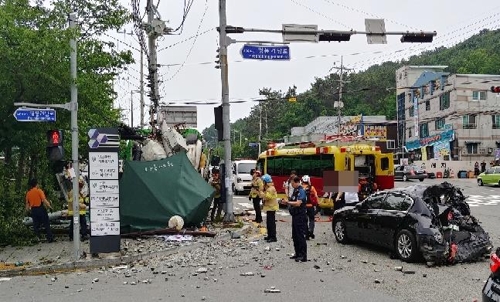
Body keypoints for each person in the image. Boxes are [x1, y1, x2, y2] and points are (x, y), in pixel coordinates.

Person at [282, 176, 308, 262]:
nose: (291, 185)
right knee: (295, 235)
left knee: (300, 235)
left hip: (300, 216)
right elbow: (293, 200)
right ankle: (297, 253)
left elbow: (298, 203)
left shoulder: (301, 191)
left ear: (296, 182)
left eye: (292, 183)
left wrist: (288, 202)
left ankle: (303, 255)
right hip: (295, 216)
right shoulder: (295, 191)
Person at [25, 178, 54, 243]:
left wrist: (27, 211)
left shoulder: (28, 193)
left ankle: (37, 237)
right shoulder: (39, 191)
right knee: (46, 223)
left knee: (36, 224)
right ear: (36, 184)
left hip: (33, 210)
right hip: (40, 209)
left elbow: (27, 204)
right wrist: (50, 207)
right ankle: (50, 238)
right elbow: (44, 200)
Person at [260, 174, 278, 242]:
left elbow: (267, 197)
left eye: (263, 181)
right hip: (269, 207)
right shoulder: (268, 188)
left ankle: (273, 237)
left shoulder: (271, 189)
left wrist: (262, 193)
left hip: (271, 208)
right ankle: (269, 235)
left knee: (271, 223)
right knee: (269, 223)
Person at [301, 175, 318, 240]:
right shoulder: (312, 188)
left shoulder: (301, 187)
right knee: (311, 220)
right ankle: (311, 230)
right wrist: (317, 205)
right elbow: (316, 196)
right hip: (311, 206)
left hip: (304, 207)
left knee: (304, 221)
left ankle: (306, 234)